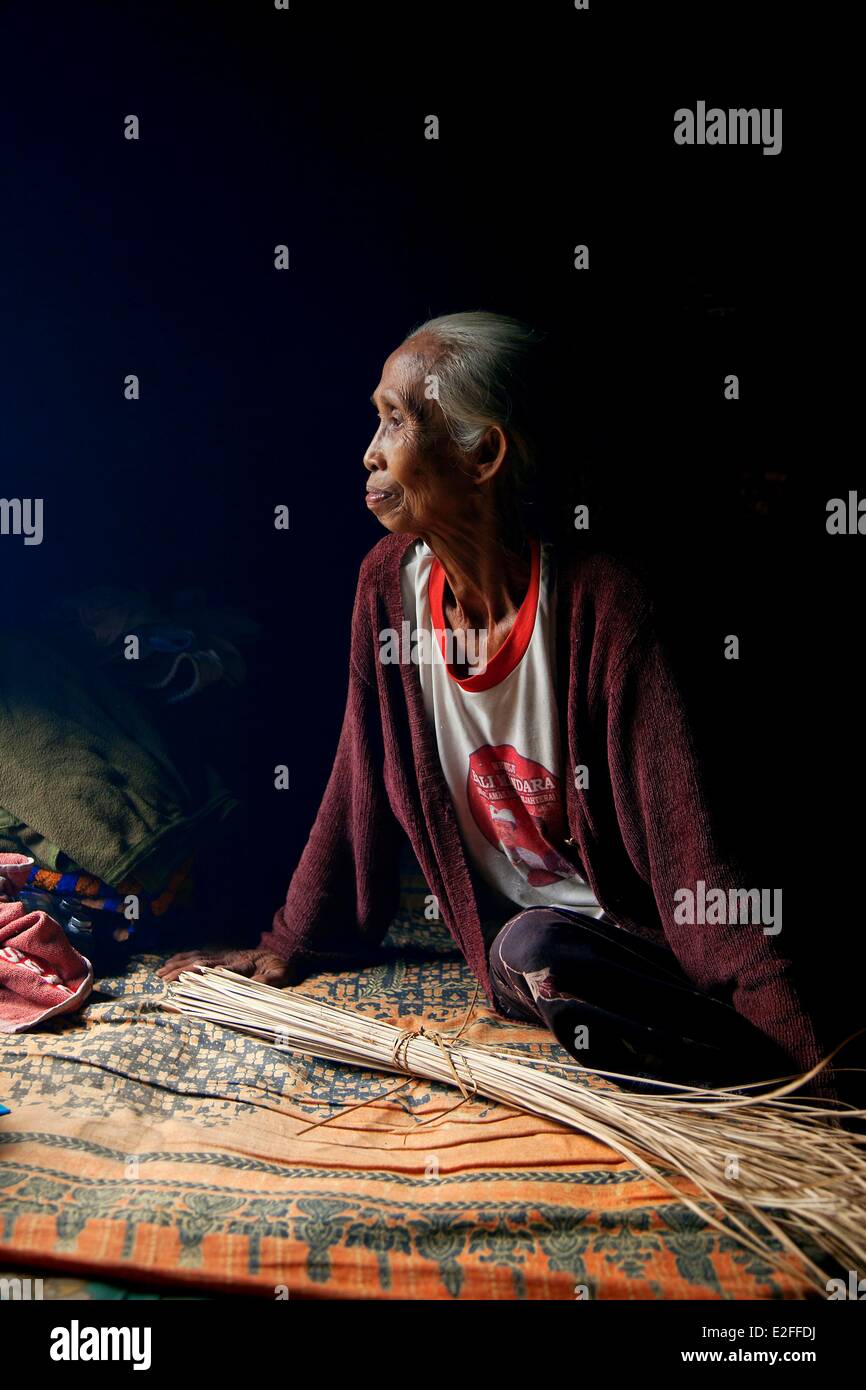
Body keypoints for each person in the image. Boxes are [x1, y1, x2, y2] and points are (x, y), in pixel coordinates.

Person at [158, 311, 831, 1095]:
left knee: (535, 953)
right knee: (530, 952)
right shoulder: (388, 586)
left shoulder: (603, 606)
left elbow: (699, 855)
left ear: (483, 454)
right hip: (547, 949)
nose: (369, 453)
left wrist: (807, 1067)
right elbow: (359, 767)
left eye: (397, 421)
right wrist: (296, 938)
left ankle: (746, 1060)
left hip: (649, 937)